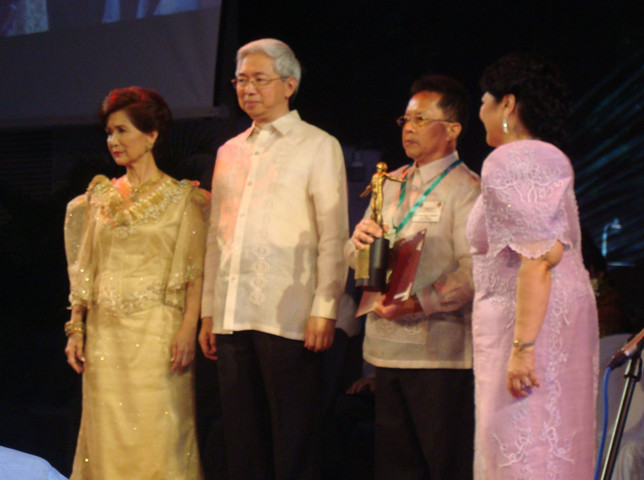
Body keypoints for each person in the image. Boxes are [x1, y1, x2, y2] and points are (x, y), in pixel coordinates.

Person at [199, 38, 348, 480]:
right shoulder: (229, 151)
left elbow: (334, 235)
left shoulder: (318, 145)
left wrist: (325, 308)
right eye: (241, 80)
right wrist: (209, 312)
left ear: (289, 84)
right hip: (231, 314)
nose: (247, 89)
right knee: (242, 441)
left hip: (289, 316)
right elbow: (215, 239)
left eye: (259, 79)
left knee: (293, 439)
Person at [63, 86, 209, 479]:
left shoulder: (184, 200)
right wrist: (76, 327)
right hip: (106, 336)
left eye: (122, 131)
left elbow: (194, 274)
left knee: (161, 432)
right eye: (109, 133)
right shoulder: (97, 198)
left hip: (159, 334)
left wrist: (187, 328)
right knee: (105, 434)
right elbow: (85, 269)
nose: (113, 141)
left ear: (151, 135)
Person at [467, 52, 599, 479]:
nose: (479, 112)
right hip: (536, 320)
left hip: (526, 326)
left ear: (507, 103)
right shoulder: (541, 157)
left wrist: (523, 350)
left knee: (525, 451)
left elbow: (540, 257)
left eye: (483, 101)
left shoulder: (515, 159)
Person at [345, 74, 480, 480]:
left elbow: (474, 272)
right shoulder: (390, 182)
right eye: (405, 119)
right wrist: (358, 243)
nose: (409, 128)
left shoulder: (467, 189)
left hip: (439, 354)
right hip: (385, 349)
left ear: (452, 129)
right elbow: (354, 259)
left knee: (442, 464)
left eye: (421, 119)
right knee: (394, 467)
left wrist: (419, 303)